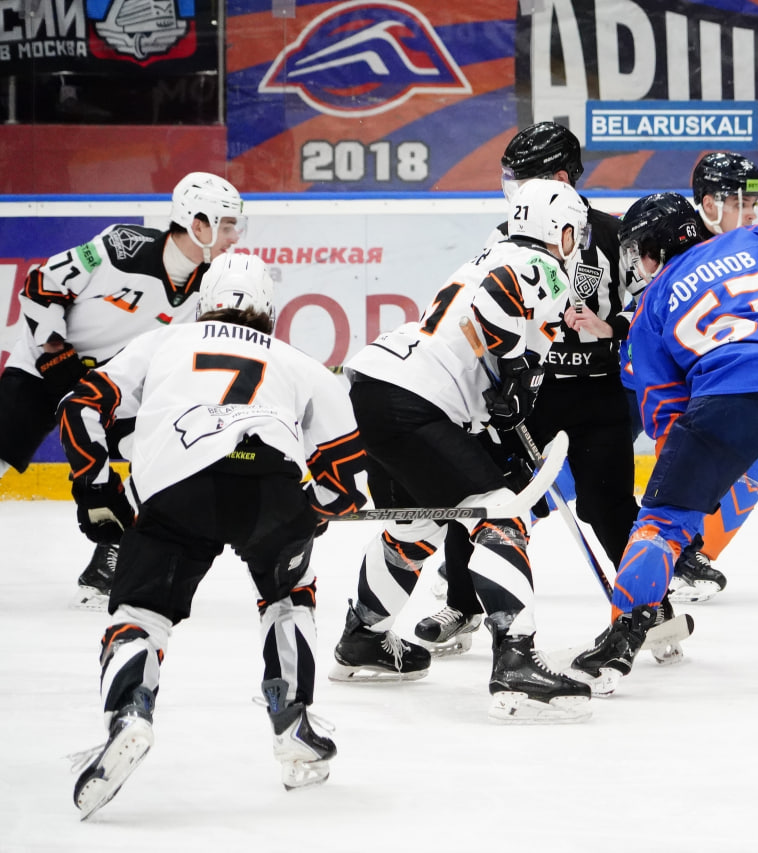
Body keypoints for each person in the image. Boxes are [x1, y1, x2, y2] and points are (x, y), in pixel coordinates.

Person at [59, 253, 367, 819]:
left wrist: (96, 486)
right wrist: (314, 514)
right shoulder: (298, 362)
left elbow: (81, 406)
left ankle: (129, 712)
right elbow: (349, 476)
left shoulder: (163, 342)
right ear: (270, 310)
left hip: (177, 487)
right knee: (289, 596)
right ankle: (292, 720)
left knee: (141, 612)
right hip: (271, 484)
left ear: (205, 303)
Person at [569, 192, 758, 696]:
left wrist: (688, 493)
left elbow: (665, 412)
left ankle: (622, 639)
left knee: (661, 524)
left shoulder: (649, 306)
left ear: (651, 250)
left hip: (731, 398)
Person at [330, 177, 593, 723]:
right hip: (416, 400)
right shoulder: (538, 264)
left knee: (417, 527)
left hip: (376, 391)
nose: (577, 241)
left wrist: (506, 400)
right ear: (557, 229)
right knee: (501, 517)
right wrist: (516, 369)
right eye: (574, 230)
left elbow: (484, 341)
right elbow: (496, 298)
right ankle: (516, 660)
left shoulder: (491, 253)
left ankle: (364, 638)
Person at [417, 121, 641, 656]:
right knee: (481, 496)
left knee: (609, 506)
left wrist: (612, 327)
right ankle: (463, 604)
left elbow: (650, 307)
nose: (514, 190)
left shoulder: (615, 236)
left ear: (561, 178)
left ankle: (646, 606)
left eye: (525, 178)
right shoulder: (506, 237)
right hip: (530, 395)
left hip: (597, 395)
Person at [1, 171, 245, 610]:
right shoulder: (121, 248)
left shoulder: (212, 284)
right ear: (198, 223)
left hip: (113, 388)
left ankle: (110, 555)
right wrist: (55, 353)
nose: (234, 236)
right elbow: (41, 285)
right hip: (44, 367)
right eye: (227, 225)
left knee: (158, 456)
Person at [658, 151, 758, 604]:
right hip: (648, 369)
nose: (750, 213)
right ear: (708, 204)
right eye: (740, 203)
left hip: (701, 376)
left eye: (754, 204)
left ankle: (691, 557)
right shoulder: (675, 238)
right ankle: (504, 530)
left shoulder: (751, 248)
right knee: (586, 461)